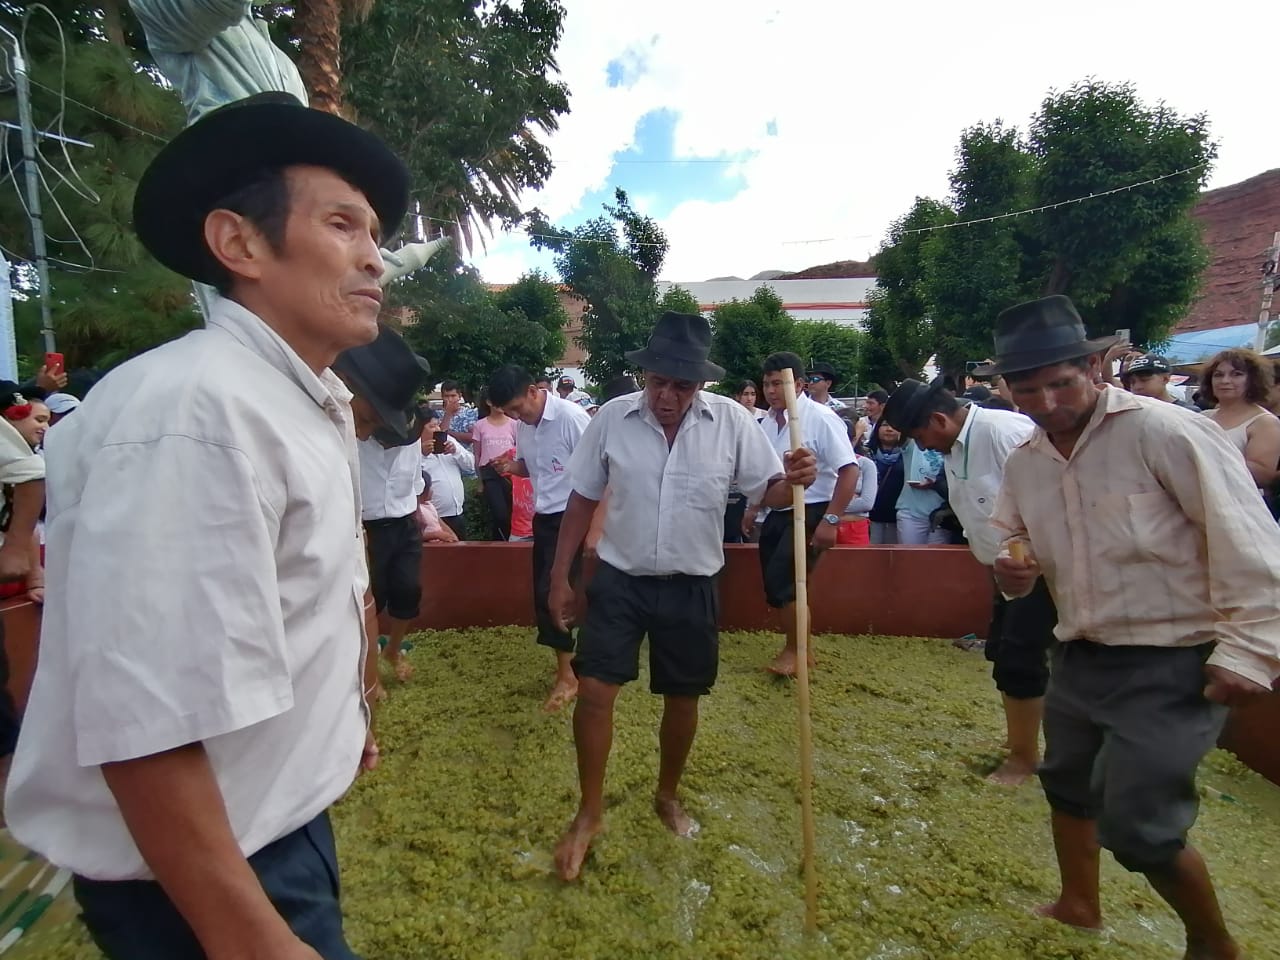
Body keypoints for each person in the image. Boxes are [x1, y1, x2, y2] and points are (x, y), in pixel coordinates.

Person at [5, 92, 419, 960]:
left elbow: (304, 598)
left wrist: (343, 720)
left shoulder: (299, 401)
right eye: (344, 225)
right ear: (240, 244)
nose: (375, 260)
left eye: (376, 235)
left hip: (271, 824)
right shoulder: (196, 413)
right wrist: (251, 939)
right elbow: (145, 720)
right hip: (208, 875)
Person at [988, 295, 1280, 957]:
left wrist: (1251, 651)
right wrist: (1014, 570)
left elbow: (1250, 545)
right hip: (1082, 651)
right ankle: (1078, 904)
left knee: (1141, 828)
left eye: (1061, 383)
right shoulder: (1027, 460)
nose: (1048, 402)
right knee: (1065, 782)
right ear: (1007, 387)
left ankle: (1214, 944)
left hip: (1174, 659)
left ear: (1094, 366)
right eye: (1028, 389)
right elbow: (1013, 537)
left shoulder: (1166, 432)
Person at [541, 311, 817, 881]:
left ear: (701, 384)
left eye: (682, 385)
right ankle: (588, 811)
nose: (667, 396)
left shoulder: (733, 424)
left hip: (693, 583)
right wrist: (558, 576)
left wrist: (794, 481)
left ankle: (667, 793)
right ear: (645, 375)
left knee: (683, 698)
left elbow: (764, 491)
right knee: (594, 691)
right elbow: (581, 499)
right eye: (658, 382)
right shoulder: (612, 419)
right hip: (619, 578)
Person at [882, 379, 1053, 786]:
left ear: (938, 419)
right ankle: (1020, 745)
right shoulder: (958, 446)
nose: (921, 447)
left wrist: (1030, 563)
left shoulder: (1003, 433)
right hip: (1005, 573)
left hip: (1041, 571)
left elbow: (1053, 501)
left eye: (919, 436)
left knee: (1021, 661)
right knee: (1006, 656)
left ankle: (1026, 760)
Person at [488, 365, 591, 711]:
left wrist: (598, 527)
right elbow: (534, 467)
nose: (517, 417)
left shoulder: (571, 418)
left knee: (578, 593)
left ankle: (579, 671)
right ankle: (567, 672)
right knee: (548, 595)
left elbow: (603, 468)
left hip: (578, 516)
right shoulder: (526, 427)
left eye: (518, 408)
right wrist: (511, 467)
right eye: (510, 412)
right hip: (545, 519)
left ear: (533, 391)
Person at [749, 352, 859, 675]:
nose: (771, 390)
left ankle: (795, 652)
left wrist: (832, 519)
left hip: (813, 509)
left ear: (798, 383)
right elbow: (764, 474)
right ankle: (801, 650)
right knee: (776, 582)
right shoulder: (767, 422)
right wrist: (754, 507)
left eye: (778, 383)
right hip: (778, 510)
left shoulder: (822, 418)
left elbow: (849, 470)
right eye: (766, 383)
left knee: (789, 581)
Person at [1200, 348, 1280, 492]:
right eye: (1218, 375)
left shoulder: (1264, 422)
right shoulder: (1203, 417)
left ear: (1253, 380)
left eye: (1236, 374)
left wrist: (1207, 458)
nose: (1225, 381)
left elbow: (1264, 475)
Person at [470, 387, 519, 541]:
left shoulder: (514, 424)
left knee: (513, 512)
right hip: (490, 473)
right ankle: (500, 544)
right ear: (488, 402)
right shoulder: (480, 425)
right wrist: (480, 482)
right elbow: (477, 454)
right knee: (500, 514)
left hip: (512, 472)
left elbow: (520, 450)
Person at [420, 408, 476, 540]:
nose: (437, 429)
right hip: (434, 519)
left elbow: (471, 464)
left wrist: (456, 451)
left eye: (438, 425)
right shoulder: (414, 450)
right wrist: (422, 454)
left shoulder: (448, 440)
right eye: (432, 426)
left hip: (457, 512)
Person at [867, 422, 905, 544]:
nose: (889, 429)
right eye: (884, 425)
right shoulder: (866, 452)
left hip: (898, 514)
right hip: (871, 513)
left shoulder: (908, 453)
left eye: (894, 425)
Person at [1120, 354, 1197, 410]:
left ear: (1165, 379)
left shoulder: (1189, 412)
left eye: (1144, 380)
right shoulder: (1131, 414)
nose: (1137, 387)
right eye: (1132, 382)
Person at [855, 389, 887, 454]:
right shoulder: (860, 423)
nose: (865, 406)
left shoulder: (890, 425)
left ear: (882, 406)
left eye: (871, 403)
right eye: (866, 402)